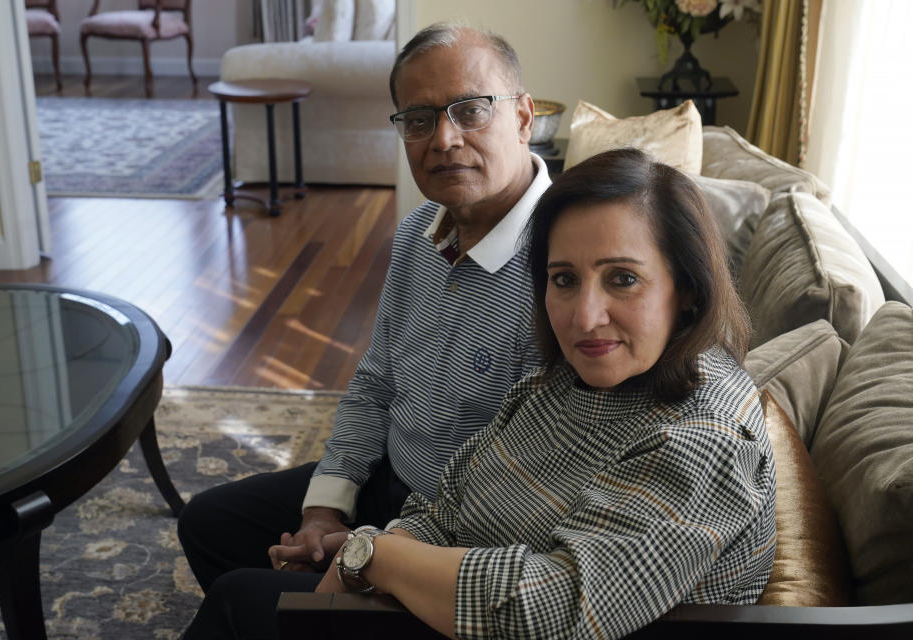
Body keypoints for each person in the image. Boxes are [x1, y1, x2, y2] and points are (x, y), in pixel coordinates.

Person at [184, 147, 777, 639]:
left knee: (241, 602)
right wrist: (371, 554)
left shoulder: (706, 438)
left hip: (512, 625)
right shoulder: (573, 378)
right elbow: (451, 496)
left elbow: (557, 604)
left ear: (689, 290)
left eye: (623, 278)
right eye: (563, 280)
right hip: (457, 591)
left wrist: (378, 558)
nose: (586, 315)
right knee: (224, 544)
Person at [178, 20, 552, 621]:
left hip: (458, 537)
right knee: (207, 524)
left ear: (524, 116)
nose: (445, 140)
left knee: (234, 603)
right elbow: (376, 384)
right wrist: (324, 512)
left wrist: (363, 556)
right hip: (390, 479)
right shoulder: (414, 235)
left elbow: (521, 489)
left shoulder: (565, 268)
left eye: (470, 110)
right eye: (419, 119)